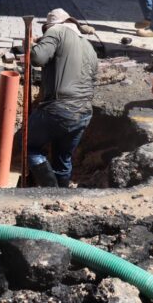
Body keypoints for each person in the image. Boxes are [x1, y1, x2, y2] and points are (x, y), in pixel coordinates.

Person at [26, 9, 98, 188]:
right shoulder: (89, 46)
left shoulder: (56, 31)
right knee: (62, 158)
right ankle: (61, 198)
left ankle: (51, 191)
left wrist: (29, 45)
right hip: (83, 112)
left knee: (28, 146)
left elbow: (37, 57)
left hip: (59, 107)